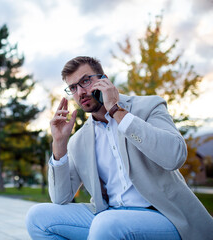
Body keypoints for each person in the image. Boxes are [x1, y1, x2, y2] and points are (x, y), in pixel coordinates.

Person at [25, 56, 213, 240]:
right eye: (73, 87)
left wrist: (116, 111)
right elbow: (60, 197)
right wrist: (59, 143)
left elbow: (175, 156)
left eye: (85, 81)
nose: (80, 92)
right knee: (37, 218)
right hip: (109, 214)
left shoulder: (148, 106)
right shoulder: (79, 140)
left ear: (104, 80)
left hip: (163, 215)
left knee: (107, 223)